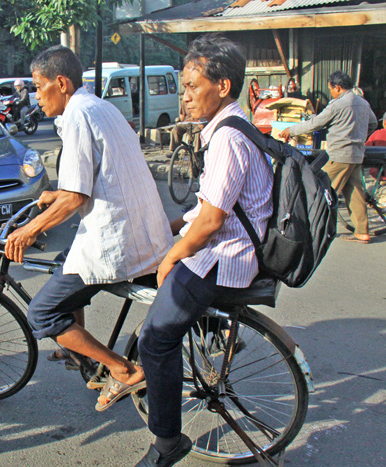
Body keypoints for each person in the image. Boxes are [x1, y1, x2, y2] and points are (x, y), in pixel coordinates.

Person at [4, 45, 173, 411]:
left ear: (60, 83)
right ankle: (76, 350)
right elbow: (88, 182)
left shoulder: (79, 115)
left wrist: (29, 230)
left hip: (116, 241)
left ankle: (121, 369)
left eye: (38, 86)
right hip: (143, 232)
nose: (35, 96)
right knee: (64, 264)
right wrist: (55, 194)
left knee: (42, 313)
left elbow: (76, 198)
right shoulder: (99, 107)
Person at [134, 34, 274, 467]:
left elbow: (213, 222)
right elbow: (208, 207)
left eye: (193, 86)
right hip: (222, 246)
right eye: (184, 87)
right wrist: (170, 227)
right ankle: (199, 328)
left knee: (154, 340)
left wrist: (175, 252)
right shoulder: (229, 129)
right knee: (152, 281)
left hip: (224, 257)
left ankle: (168, 442)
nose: (185, 96)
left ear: (223, 87)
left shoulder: (229, 138)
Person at [282, 71, 377, 244]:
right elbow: (373, 123)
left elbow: (316, 123)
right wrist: (360, 137)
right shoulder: (363, 103)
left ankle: (314, 230)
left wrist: (291, 130)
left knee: (321, 191)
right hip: (356, 156)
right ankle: (362, 232)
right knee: (355, 193)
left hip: (339, 155)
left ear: (337, 87)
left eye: (331, 89)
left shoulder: (337, 104)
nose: (331, 92)